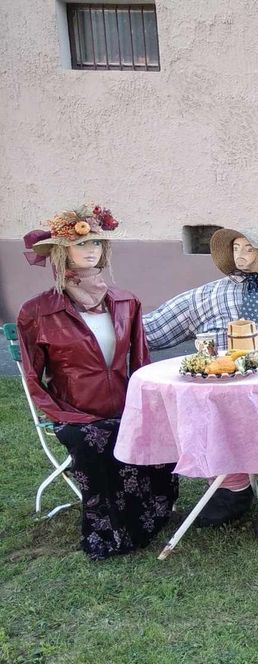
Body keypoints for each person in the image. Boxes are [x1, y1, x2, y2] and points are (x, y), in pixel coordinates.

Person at [142, 227, 258, 537]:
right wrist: (108, 324)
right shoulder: (204, 295)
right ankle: (230, 488)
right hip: (222, 382)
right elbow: (153, 327)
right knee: (214, 411)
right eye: (235, 249)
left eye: (248, 248)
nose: (241, 255)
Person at [17, 204, 178, 560]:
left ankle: (152, 516)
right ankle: (109, 529)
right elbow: (33, 376)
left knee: (158, 429)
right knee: (95, 440)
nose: (93, 250)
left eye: (98, 244)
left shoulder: (125, 302)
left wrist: (146, 406)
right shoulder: (37, 311)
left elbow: (140, 363)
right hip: (76, 414)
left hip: (124, 405)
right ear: (63, 251)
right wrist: (65, 416)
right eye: (82, 244)